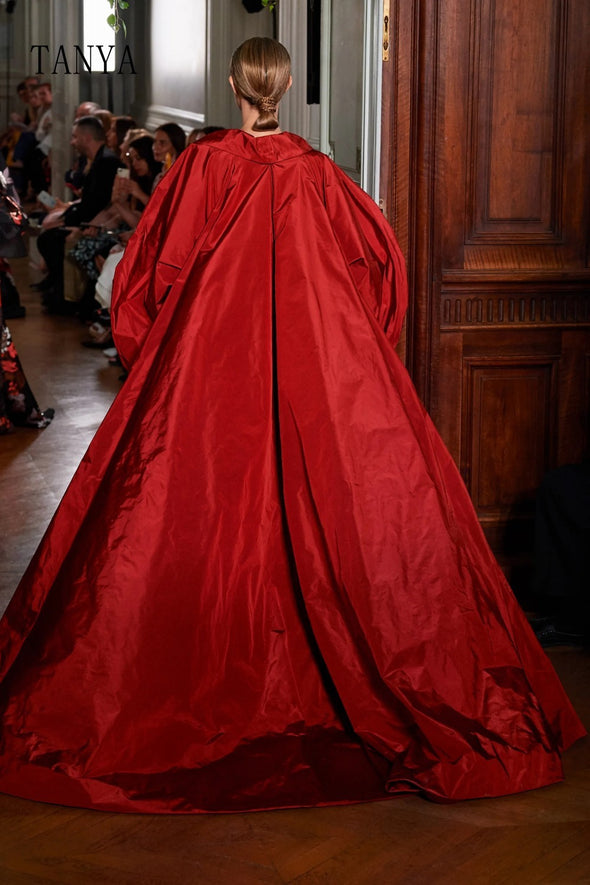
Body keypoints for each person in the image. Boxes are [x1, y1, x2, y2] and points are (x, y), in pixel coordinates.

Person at [0, 38, 584, 814]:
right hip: (317, 372)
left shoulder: (206, 165)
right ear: (282, 86)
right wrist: (354, 341)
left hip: (212, 375)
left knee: (203, 516)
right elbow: (379, 261)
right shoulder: (315, 170)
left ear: (237, 87)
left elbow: (151, 272)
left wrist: (155, 346)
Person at [35, 115, 121, 314]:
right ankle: (59, 290)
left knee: (51, 239)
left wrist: (69, 221)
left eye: (75, 137)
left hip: (99, 222)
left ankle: (67, 297)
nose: (72, 142)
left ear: (86, 137)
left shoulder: (106, 162)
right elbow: (90, 201)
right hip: (89, 219)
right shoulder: (98, 160)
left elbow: (99, 204)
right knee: (49, 237)